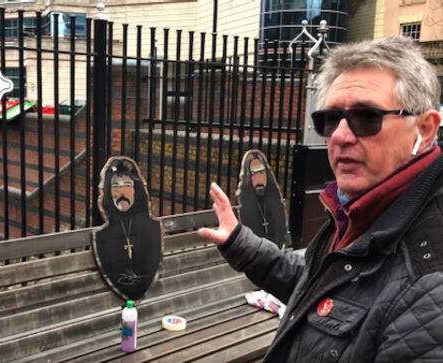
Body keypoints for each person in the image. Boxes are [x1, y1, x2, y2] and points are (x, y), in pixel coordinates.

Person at [198, 36, 443, 361]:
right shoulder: (357, 209)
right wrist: (240, 242)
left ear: (424, 128)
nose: (340, 136)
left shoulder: (429, 281)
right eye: (331, 119)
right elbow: (322, 290)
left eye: (367, 117)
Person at [94, 157, 163, 301]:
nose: (122, 192)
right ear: (108, 191)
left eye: (127, 184)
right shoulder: (101, 237)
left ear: (136, 190)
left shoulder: (153, 229)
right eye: (115, 186)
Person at [236, 150, 287, 248]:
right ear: (247, 177)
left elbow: (281, 233)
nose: (259, 178)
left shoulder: (274, 199)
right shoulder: (244, 204)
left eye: (261, 172)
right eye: (253, 173)